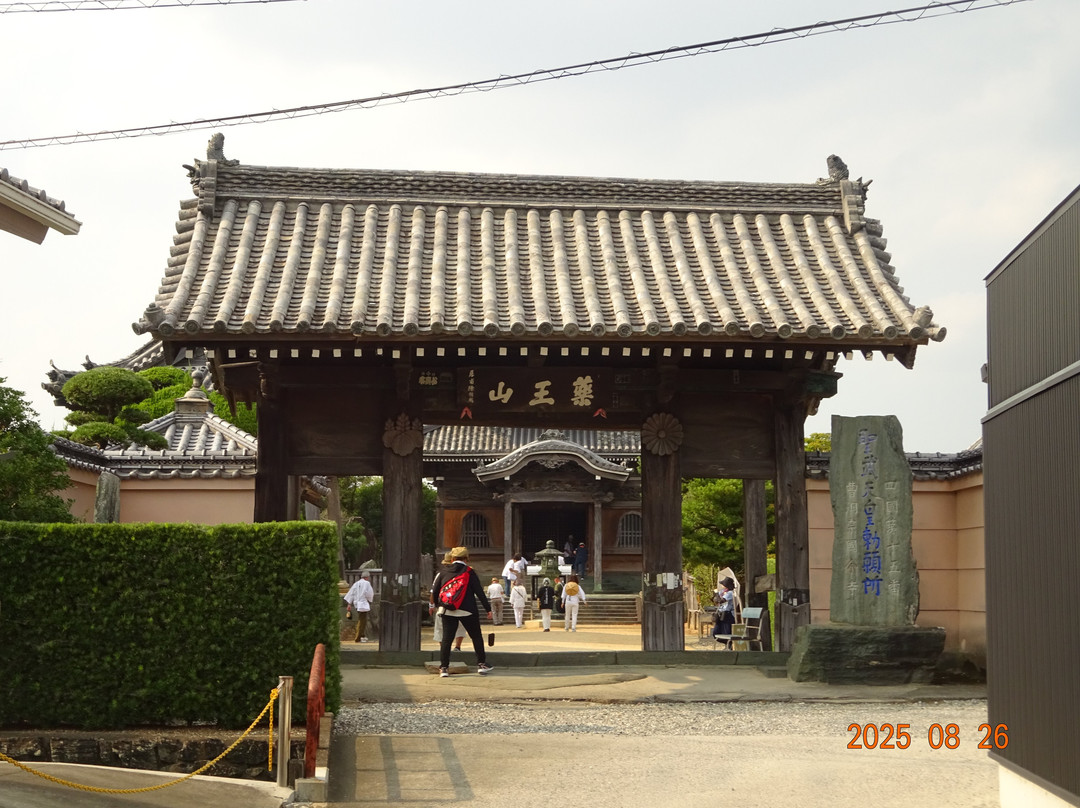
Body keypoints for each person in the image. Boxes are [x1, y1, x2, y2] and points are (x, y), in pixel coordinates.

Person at [431, 545, 494, 677]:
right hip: (467, 610)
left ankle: (444, 668)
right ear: (466, 559)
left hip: (447, 610)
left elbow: (435, 591)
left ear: (452, 558)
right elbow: (479, 592)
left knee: (447, 639)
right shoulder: (469, 572)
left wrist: (439, 605)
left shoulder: (443, 572)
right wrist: (488, 609)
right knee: (476, 636)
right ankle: (481, 664)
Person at [344, 570, 374, 643]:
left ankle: (362, 635)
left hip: (357, 604)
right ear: (367, 577)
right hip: (363, 604)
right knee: (362, 621)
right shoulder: (367, 583)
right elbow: (369, 593)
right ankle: (358, 637)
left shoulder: (356, 584)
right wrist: (369, 600)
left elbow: (351, 594)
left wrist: (349, 604)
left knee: (362, 620)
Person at [713, 576, 736, 647]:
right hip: (720, 613)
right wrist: (716, 595)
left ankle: (729, 646)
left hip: (727, 614)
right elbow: (715, 600)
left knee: (726, 632)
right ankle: (727, 645)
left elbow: (721, 600)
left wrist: (717, 595)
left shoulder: (730, 593)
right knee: (716, 632)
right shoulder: (722, 592)